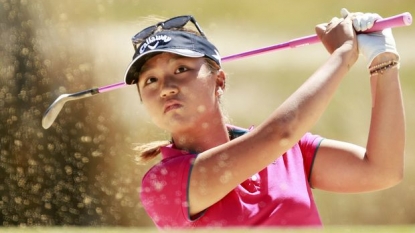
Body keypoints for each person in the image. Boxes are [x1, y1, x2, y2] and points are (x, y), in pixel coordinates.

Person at [122, 8, 405, 229]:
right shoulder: (162, 183)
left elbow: (382, 170)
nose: (166, 87)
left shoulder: (291, 152)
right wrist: (343, 54)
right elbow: (279, 133)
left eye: (181, 68)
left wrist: (383, 61)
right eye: (150, 80)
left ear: (218, 81)